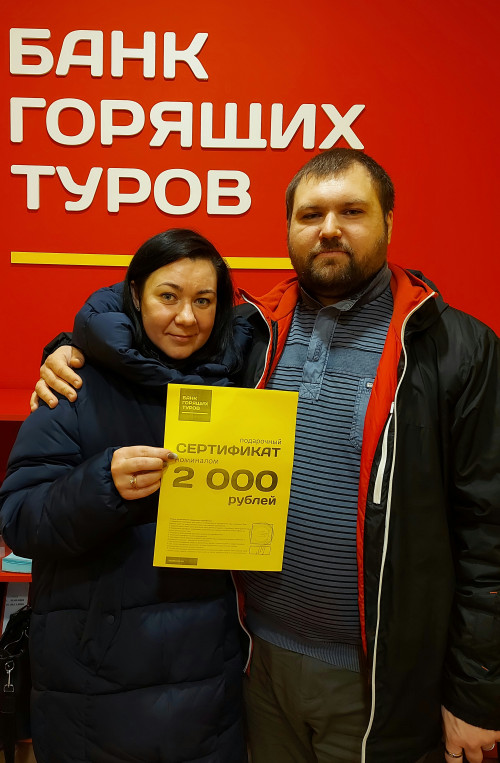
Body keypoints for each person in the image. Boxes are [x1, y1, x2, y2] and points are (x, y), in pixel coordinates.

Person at [28, 149, 500, 763]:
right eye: (311, 214)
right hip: (252, 665)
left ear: (389, 221)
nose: (329, 228)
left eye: (352, 211)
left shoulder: (454, 348)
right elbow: (144, 327)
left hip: (378, 679)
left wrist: (476, 692)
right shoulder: (251, 332)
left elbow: (488, 534)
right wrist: (67, 348)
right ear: (289, 228)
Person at [0, 229, 253, 763]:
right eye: (169, 296)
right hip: (96, 681)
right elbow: (19, 519)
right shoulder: (75, 383)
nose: (186, 317)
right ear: (135, 295)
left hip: (211, 679)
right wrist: (101, 485)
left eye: (204, 301)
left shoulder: (243, 386)